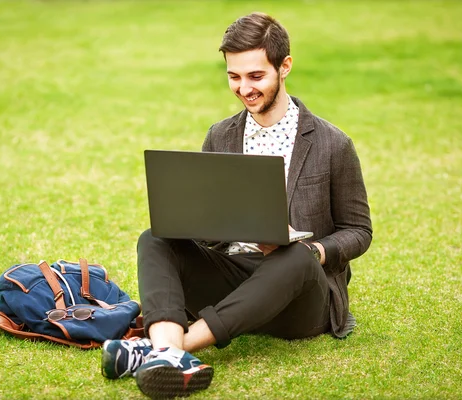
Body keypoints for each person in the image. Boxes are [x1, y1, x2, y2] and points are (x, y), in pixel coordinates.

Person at [101, 12, 372, 399]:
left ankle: (169, 351)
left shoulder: (333, 144)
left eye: (256, 76)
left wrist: (313, 249)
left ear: (285, 66)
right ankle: (164, 346)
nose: (244, 88)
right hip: (235, 279)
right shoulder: (220, 135)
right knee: (155, 238)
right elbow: (207, 226)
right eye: (234, 77)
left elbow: (360, 231)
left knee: (296, 258)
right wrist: (196, 223)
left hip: (300, 295)